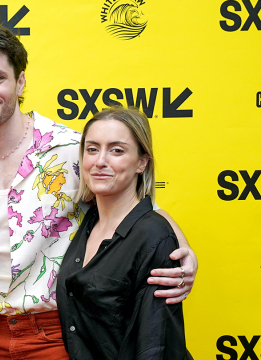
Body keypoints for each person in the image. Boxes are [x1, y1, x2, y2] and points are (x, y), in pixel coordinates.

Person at [0, 22, 197, 359]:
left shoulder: (73, 151)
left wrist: (182, 250)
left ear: (20, 83)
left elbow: (136, 210)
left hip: (57, 336)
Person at [56, 106, 190, 359]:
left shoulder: (153, 235)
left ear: (141, 162)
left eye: (117, 150)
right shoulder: (87, 220)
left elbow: (155, 345)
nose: (100, 161)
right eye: (92, 149)